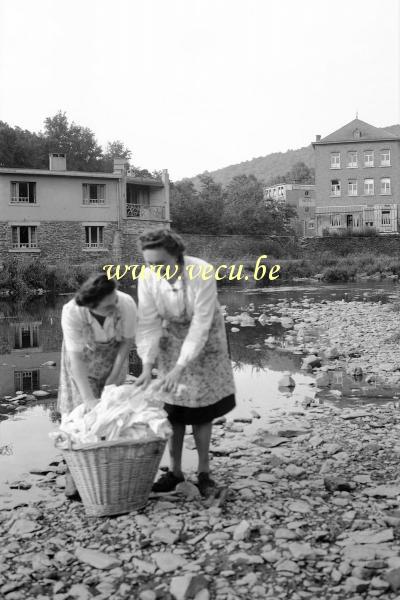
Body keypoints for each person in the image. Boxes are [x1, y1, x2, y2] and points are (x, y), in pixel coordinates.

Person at [135, 229, 236, 496]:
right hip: (171, 337)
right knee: (174, 408)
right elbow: (147, 323)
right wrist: (147, 364)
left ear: (177, 256)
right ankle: (175, 471)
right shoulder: (147, 277)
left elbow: (201, 323)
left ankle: (204, 472)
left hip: (205, 339)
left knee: (202, 407)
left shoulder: (201, 271)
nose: (155, 269)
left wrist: (182, 366)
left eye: (160, 264)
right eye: (150, 264)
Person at [57, 272, 137, 497]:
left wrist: (113, 378)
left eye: (114, 302)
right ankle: (74, 472)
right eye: (108, 307)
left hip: (113, 358)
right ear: (92, 306)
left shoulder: (126, 304)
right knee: (77, 415)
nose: (114, 307)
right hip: (82, 361)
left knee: (111, 415)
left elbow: (126, 343)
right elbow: (77, 360)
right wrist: (88, 399)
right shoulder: (72, 312)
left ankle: (108, 470)